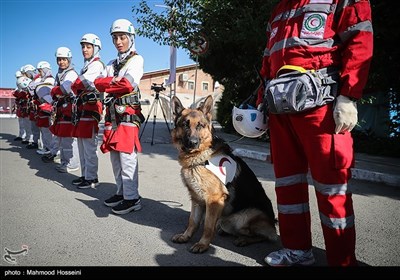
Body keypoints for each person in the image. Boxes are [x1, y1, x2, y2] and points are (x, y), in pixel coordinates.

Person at [254, 0, 373, 266]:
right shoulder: (280, 8)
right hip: (280, 109)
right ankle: (297, 250)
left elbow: (360, 42)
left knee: (332, 187)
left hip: (322, 107)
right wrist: (261, 102)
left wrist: (348, 96)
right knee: (287, 185)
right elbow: (268, 60)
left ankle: (341, 261)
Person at [94, 18, 145, 215]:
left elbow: (127, 84)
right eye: (115, 38)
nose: (118, 41)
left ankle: (132, 198)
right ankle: (121, 192)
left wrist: (110, 82)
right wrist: (112, 81)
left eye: (122, 37)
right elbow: (97, 84)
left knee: (127, 156)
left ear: (131, 38)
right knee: (115, 156)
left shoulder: (136, 60)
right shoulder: (111, 63)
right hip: (112, 115)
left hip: (128, 116)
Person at [70, 33, 106, 189]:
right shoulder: (87, 66)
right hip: (82, 109)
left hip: (91, 109)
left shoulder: (96, 65)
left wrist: (76, 84)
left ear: (96, 48)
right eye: (83, 47)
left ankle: (92, 178)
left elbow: (79, 83)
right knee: (82, 145)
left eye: (88, 47)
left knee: (89, 147)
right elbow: (76, 85)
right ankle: (85, 175)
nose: (84, 49)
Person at [47, 47, 80, 173]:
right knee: (61, 138)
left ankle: (72, 163)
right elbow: (56, 91)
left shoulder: (71, 73)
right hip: (62, 109)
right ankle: (64, 162)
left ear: (69, 60)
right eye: (59, 59)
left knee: (69, 139)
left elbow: (64, 89)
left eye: (64, 59)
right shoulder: (59, 74)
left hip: (70, 108)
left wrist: (55, 91)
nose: (61, 62)